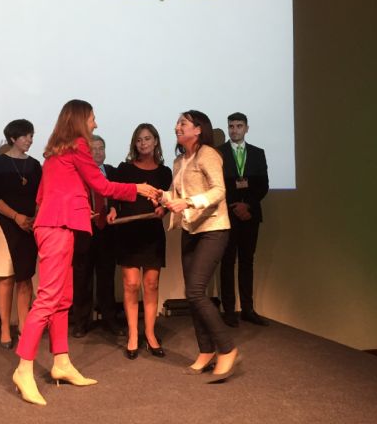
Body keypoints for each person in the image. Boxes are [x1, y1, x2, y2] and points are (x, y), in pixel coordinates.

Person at [13, 100, 159, 406]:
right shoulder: (78, 145)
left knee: (63, 299)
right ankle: (23, 369)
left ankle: (62, 362)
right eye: (92, 118)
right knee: (48, 299)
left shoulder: (57, 152)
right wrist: (138, 189)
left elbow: (43, 195)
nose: (95, 123)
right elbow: (101, 186)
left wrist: (77, 207)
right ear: (80, 120)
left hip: (59, 225)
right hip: (57, 227)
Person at [160, 110, 240, 383]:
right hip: (190, 230)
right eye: (177, 123)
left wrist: (189, 202)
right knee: (193, 293)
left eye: (183, 123)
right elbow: (176, 195)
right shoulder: (179, 160)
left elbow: (219, 191)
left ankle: (227, 348)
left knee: (195, 291)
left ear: (198, 129)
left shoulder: (208, 154)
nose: (177, 127)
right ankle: (206, 351)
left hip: (213, 229)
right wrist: (160, 196)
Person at [108, 124, 172, 359]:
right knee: (131, 285)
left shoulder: (165, 172)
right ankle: (133, 335)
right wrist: (113, 209)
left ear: (155, 141)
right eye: (139, 140)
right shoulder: (124, 169)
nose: (143, 143)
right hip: (128, 231)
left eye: (147, 139)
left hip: (152, 233)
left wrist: (163, 209)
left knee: (151, 285)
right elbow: (114, 195)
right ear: (134, 144)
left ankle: (151, 334)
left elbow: (166, 201)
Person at [0, 119, 42, 348]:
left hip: (28, 224)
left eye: (31, 136)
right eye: (26, 136)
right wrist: (16, 216)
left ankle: (24, 326)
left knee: (25, 277)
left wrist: (34, 217)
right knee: (6, 276)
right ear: (13, 138)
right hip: (3, 223)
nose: (30, 140)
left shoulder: (35, 165)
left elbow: (41, 195)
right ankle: (4, 328)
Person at [71, 135, 126, 338]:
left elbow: (118, 196)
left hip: (107, 231)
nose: (98, 152)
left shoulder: (112, 172)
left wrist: (114, 208)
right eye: (93, 149)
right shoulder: (77, 173)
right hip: (84, 232)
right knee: (82, 279)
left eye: (101, 148)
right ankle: (81, 322)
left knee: (107, 280)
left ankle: (110, 319)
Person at [218, 112, 270, 327]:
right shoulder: (219, 153)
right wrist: (235, 206)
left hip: (250, 215)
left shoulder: (258, 153)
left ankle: (248, 309)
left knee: (247, 261)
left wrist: (246, 205)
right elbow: (218, 185)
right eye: (231, 126)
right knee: (227, 262)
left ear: (246, 128)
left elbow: (263, 185)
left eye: (239, 126)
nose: (235, 130)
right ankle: (229, 311)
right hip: (228, 215)